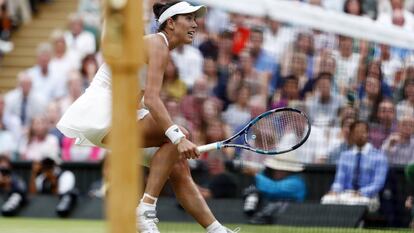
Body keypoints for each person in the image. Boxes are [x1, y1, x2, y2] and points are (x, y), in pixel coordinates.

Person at [57, 2, 238, 233]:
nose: (195, 24)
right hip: (103, 113)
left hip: (109, 121)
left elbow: (140, 99)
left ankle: (217, 230)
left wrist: (175, 141)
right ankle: (145, 209)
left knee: (179, 167)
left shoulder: (156, 48)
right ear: (171, 23)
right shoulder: (157, 45)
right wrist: (177, 138)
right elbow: (152, 100)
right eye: (189, 18)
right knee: (179, 134)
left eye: (195, 19)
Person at [321, 121, 388, 212]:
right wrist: (335, 190)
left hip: (369, 197)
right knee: (327, 200)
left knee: (354, 204)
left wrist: (361, 192)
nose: (360, 135)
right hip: (346, 194)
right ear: (352, 135)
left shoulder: (379, 157)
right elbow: (339, 180)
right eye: (357, 132)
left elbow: (378, 183)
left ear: (368, 134)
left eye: (363, 132)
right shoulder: (345, 156)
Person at [238, 153, 306, 224]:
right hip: (272, 217)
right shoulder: (271, 178)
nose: (277, 172)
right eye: (276, 169)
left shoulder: (297, 182)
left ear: (290, 171)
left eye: (282, 170)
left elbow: (273, 189)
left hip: (292, 218)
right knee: (252, 191)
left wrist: (255, 174)